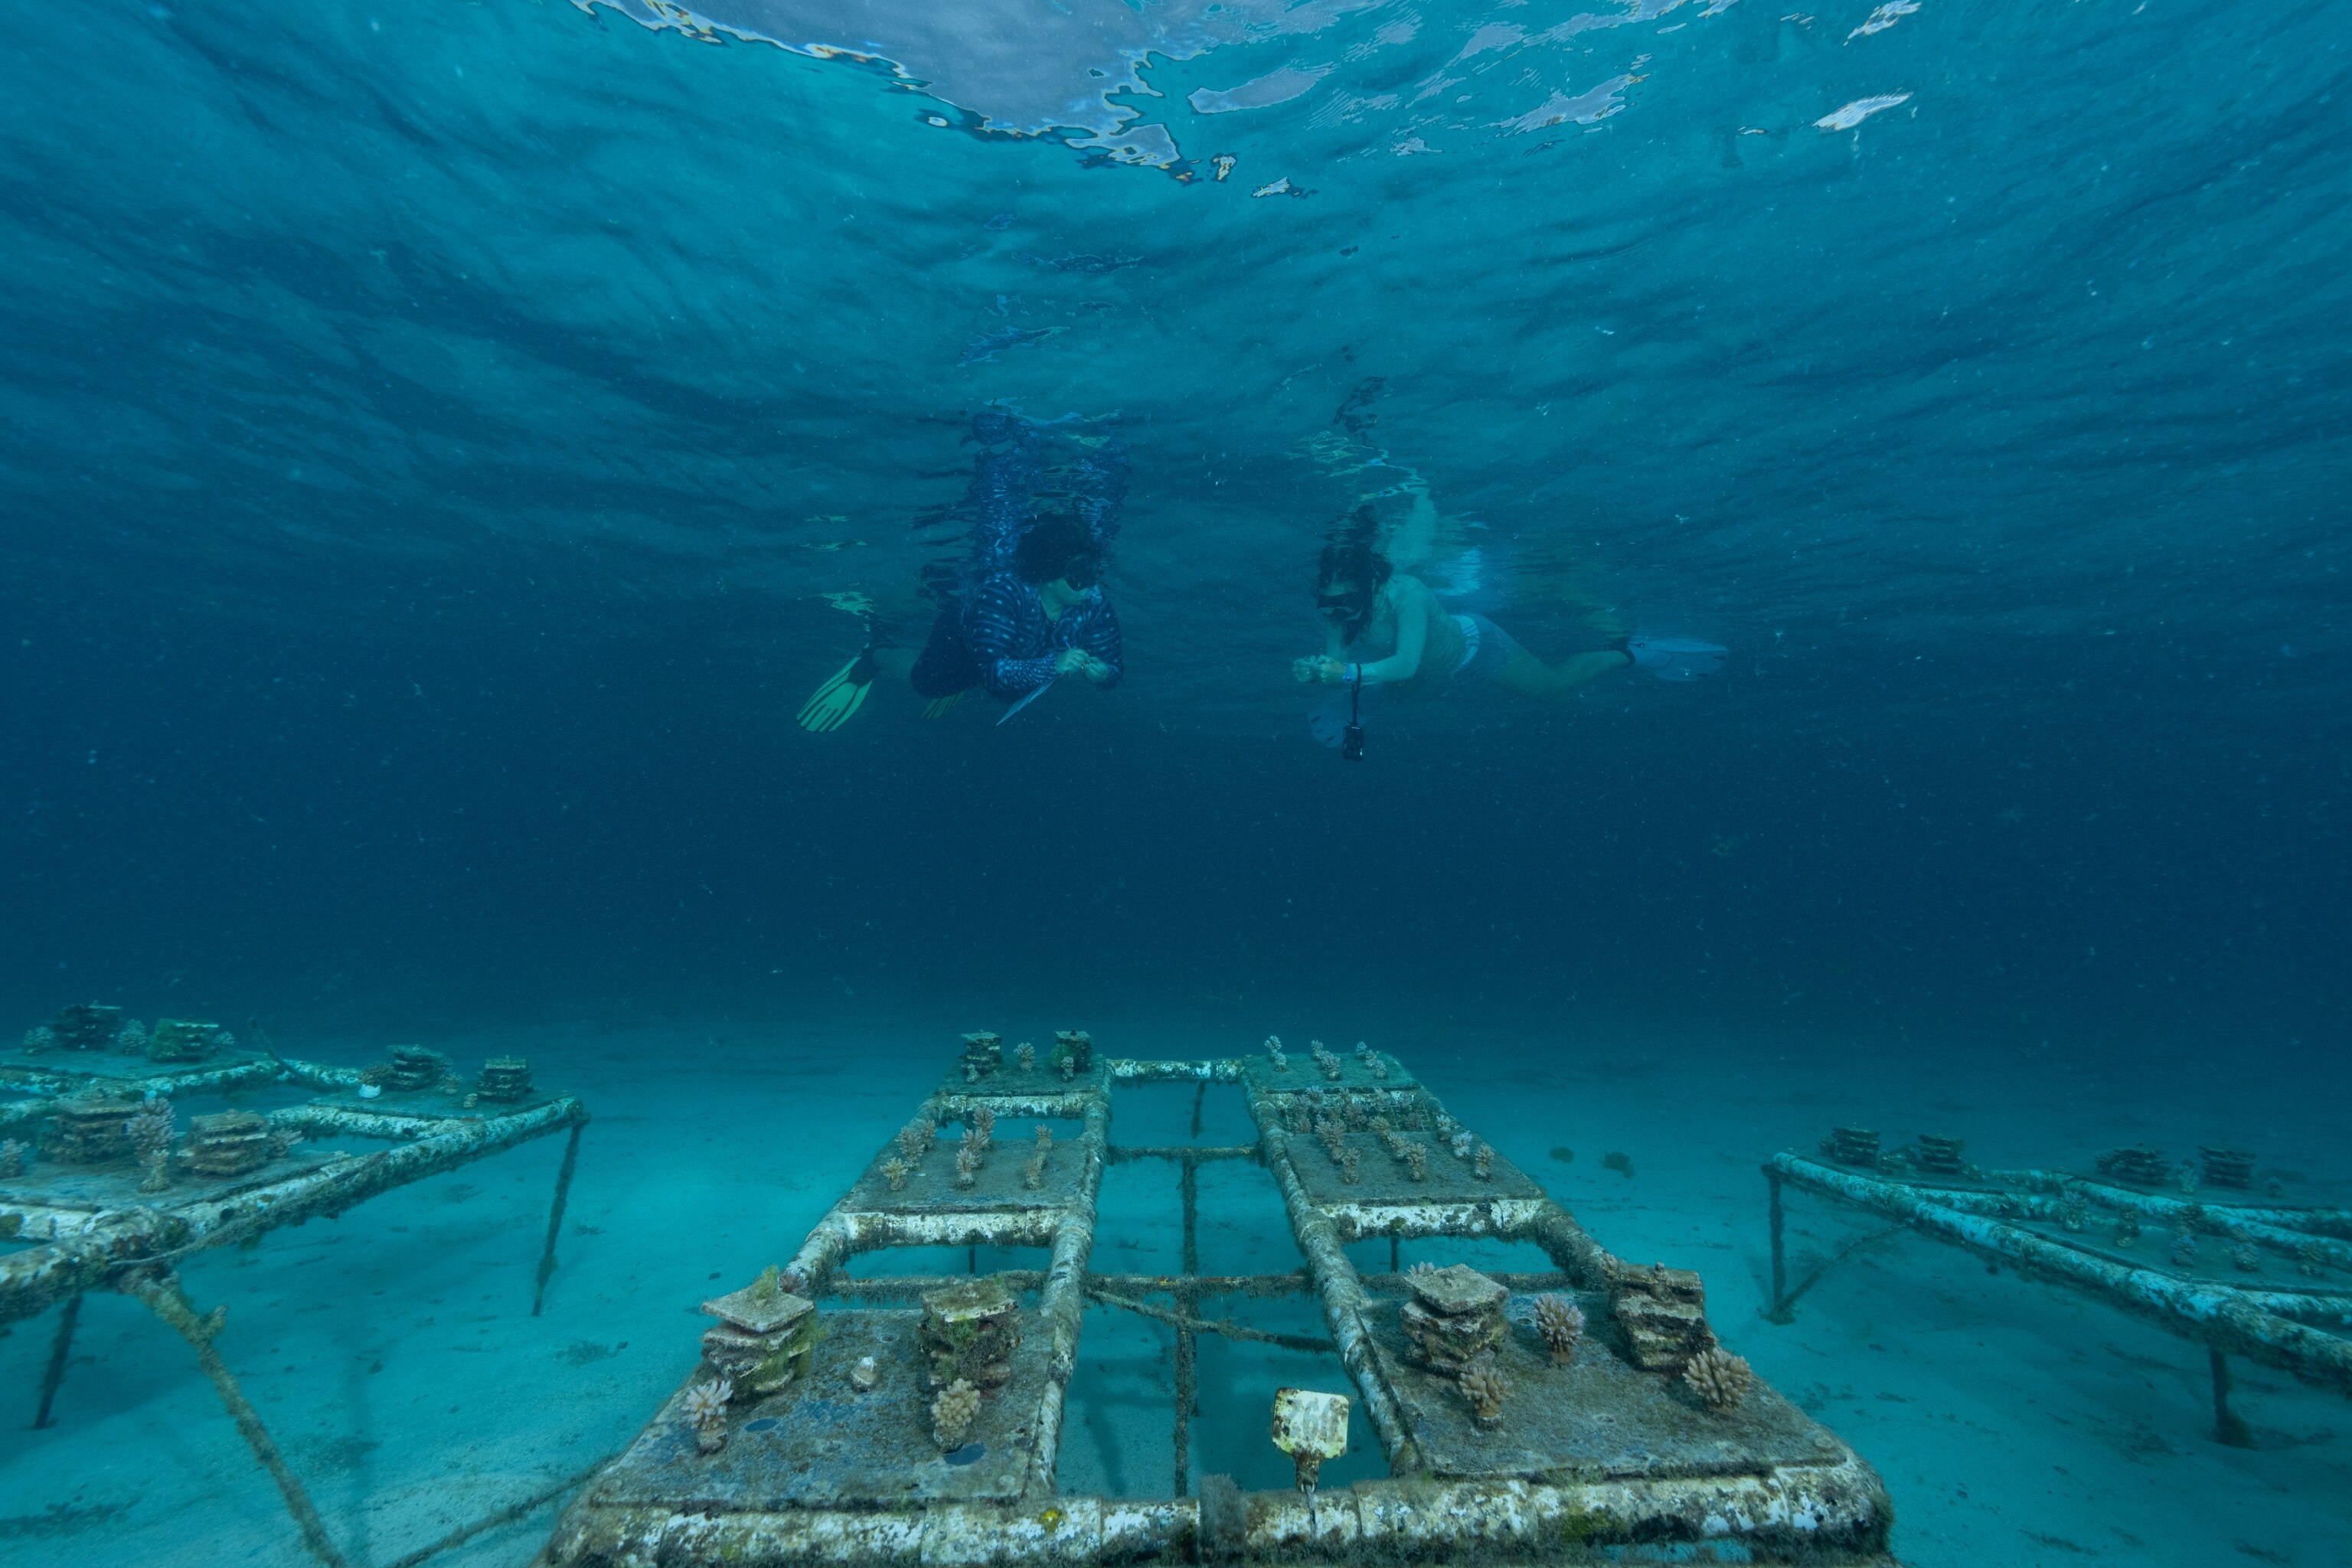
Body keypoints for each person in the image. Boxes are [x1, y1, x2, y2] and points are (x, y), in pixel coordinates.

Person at [799, 413, 1125, 731]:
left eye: (1093, 573)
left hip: (1015, 659)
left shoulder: (1092, 602)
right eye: (1079, 576)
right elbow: (996, 674)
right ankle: (875, 654)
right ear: (1047, 575)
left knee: (980, 678)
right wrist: (1051, 664)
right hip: (965, 641)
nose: (1091, 586)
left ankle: (964, 679)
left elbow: (1113, 669)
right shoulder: (1004, 593)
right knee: (929, 683)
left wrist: (1103, 673)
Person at [1292, 529, 1723, 743]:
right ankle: (1378, 693)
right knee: (1397, 685)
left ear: (1367, 585)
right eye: (1328, 604)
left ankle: (1634, 652)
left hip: (1476, 649)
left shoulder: (1409, 594)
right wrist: (1321, 672)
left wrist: (1344, 674)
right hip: (1425, 667)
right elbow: (1338, 660)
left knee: (1553, 690)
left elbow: (1400, 663)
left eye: (1345, 602)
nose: (1337, 613)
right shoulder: (1339, 607)